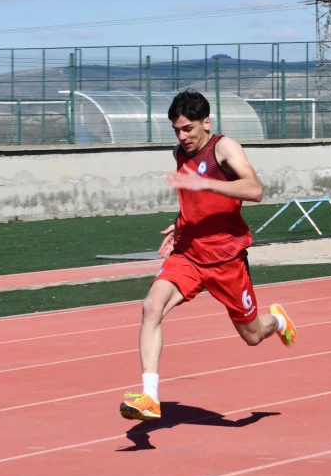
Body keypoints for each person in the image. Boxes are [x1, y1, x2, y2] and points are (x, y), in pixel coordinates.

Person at [120, 90, 296, 421]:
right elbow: (192, 199)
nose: (182, 136)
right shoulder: (179, 153)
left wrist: (207, 185)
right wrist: (179, 223)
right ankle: (150, 397)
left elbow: (255, 190)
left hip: (227, 259)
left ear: (206, 123)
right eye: (176, 130)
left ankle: (279, 320)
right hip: (188, 254)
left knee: (253, 335)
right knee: (151, 306)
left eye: (188, 128)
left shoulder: (223, 148)